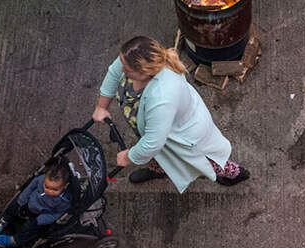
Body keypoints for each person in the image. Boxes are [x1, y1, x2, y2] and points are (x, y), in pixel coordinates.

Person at [92, 36, 249, 193]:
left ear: (144, 71)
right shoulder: (132, 57)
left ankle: (233, 173)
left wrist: (128, 157)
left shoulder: (162, 95)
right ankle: (158, 170)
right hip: (157, 132)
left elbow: (153, 143)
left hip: (185, 137)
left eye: (126, 69)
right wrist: (101, 107)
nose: (122, 69)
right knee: (157, 154)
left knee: (205, 162)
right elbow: (114, 72)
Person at [0, 158, 73, 247]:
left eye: (55, 189)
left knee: (31, 229)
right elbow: (30, 187)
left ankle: (15, 240)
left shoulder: (64, 200)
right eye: (47, 187)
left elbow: (56, 214)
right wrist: (22, 200)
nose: (49, 191)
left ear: (65, 186)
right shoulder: (41, 180)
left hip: (40, 215)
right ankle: (5, 220)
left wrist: (41, 219)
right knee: (14, 206)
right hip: (29, 202)